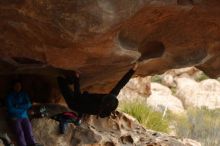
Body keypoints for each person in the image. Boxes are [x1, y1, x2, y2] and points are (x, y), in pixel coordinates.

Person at [57, 62, 139, 118]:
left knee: (60, 80)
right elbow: (120, 84)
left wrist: (76, 79)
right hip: (83, 101)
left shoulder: (93, 106)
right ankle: (71, 81)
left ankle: (68, 81)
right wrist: (132, 70)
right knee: (73, 90)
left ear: (102, 102)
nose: (105, 95)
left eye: (105, 97)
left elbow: (77, 96)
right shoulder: (110, 100)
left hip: (75, 104)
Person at [6, 80, 42, 146]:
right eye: (16, 86)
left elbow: (29, 104)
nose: (18, 87)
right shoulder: (9, 96)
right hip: (14, 118)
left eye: (19, 86)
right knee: (20, 133)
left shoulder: (24, 93)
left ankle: (32, 144)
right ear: (13, 86)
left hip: (24, 117)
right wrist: (24, 109)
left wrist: (18, 106)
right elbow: (10, 109)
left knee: (29, 131)